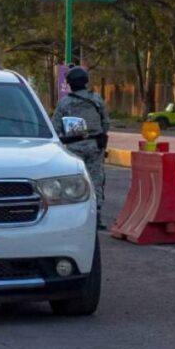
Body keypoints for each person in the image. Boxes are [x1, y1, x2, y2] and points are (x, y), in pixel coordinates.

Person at [52, 66, 110, 230]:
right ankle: (97, 217)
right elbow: (106, 123)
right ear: (85, 81)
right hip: (94, 146)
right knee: (96, 179)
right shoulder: (96, 99)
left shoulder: (65, 103)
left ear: (70, 84)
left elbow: (55, 127)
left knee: (73, 182)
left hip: (73, 147)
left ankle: (73, 217)